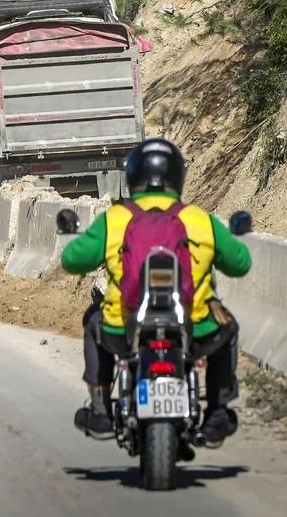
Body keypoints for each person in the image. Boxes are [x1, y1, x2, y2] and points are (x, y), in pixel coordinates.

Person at [59, 137, 252, 445]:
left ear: (132, 176)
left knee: (94, 320)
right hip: (196, 326)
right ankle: (217, 415)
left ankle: (100, 410)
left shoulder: (115, 219)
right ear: (178, 176)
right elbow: (240, 264)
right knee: (227, 328)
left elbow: (71, 260)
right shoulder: (200, 219)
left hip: (123, 327)